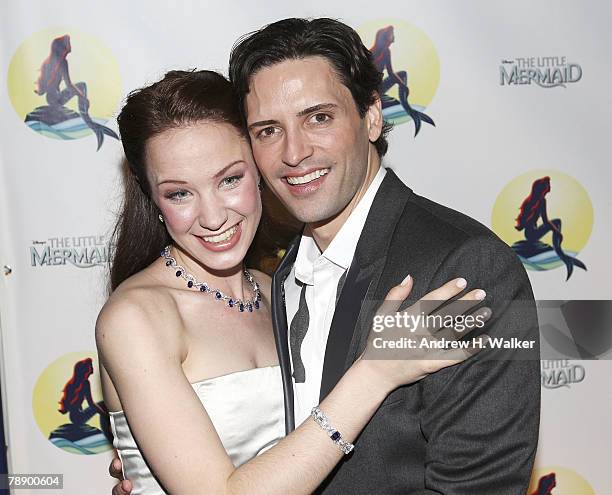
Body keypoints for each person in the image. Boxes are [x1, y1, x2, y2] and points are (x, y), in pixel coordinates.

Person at [111, 17, 540, 494]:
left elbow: (482, 484)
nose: (295, 153)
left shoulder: (466, 265)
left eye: (318, 117)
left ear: (372, 115)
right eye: (269, 129)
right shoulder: (283, 276)